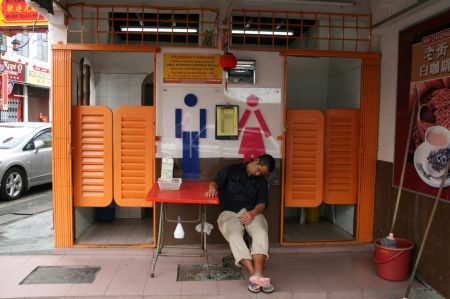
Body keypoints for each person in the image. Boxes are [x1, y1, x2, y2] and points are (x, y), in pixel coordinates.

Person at [205, 154, 276, 294]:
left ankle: (257, 276)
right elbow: (215, 182)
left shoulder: (261, 180)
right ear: (256, 161)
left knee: (261, 233)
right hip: (230, 212)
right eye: (258, 170)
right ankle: (255, 276)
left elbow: (262, 202)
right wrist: (212, 188)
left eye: (262, 173)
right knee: (234, 236)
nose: (258, 174)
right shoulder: (231, 170)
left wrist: (253, 213)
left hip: (252, 212)